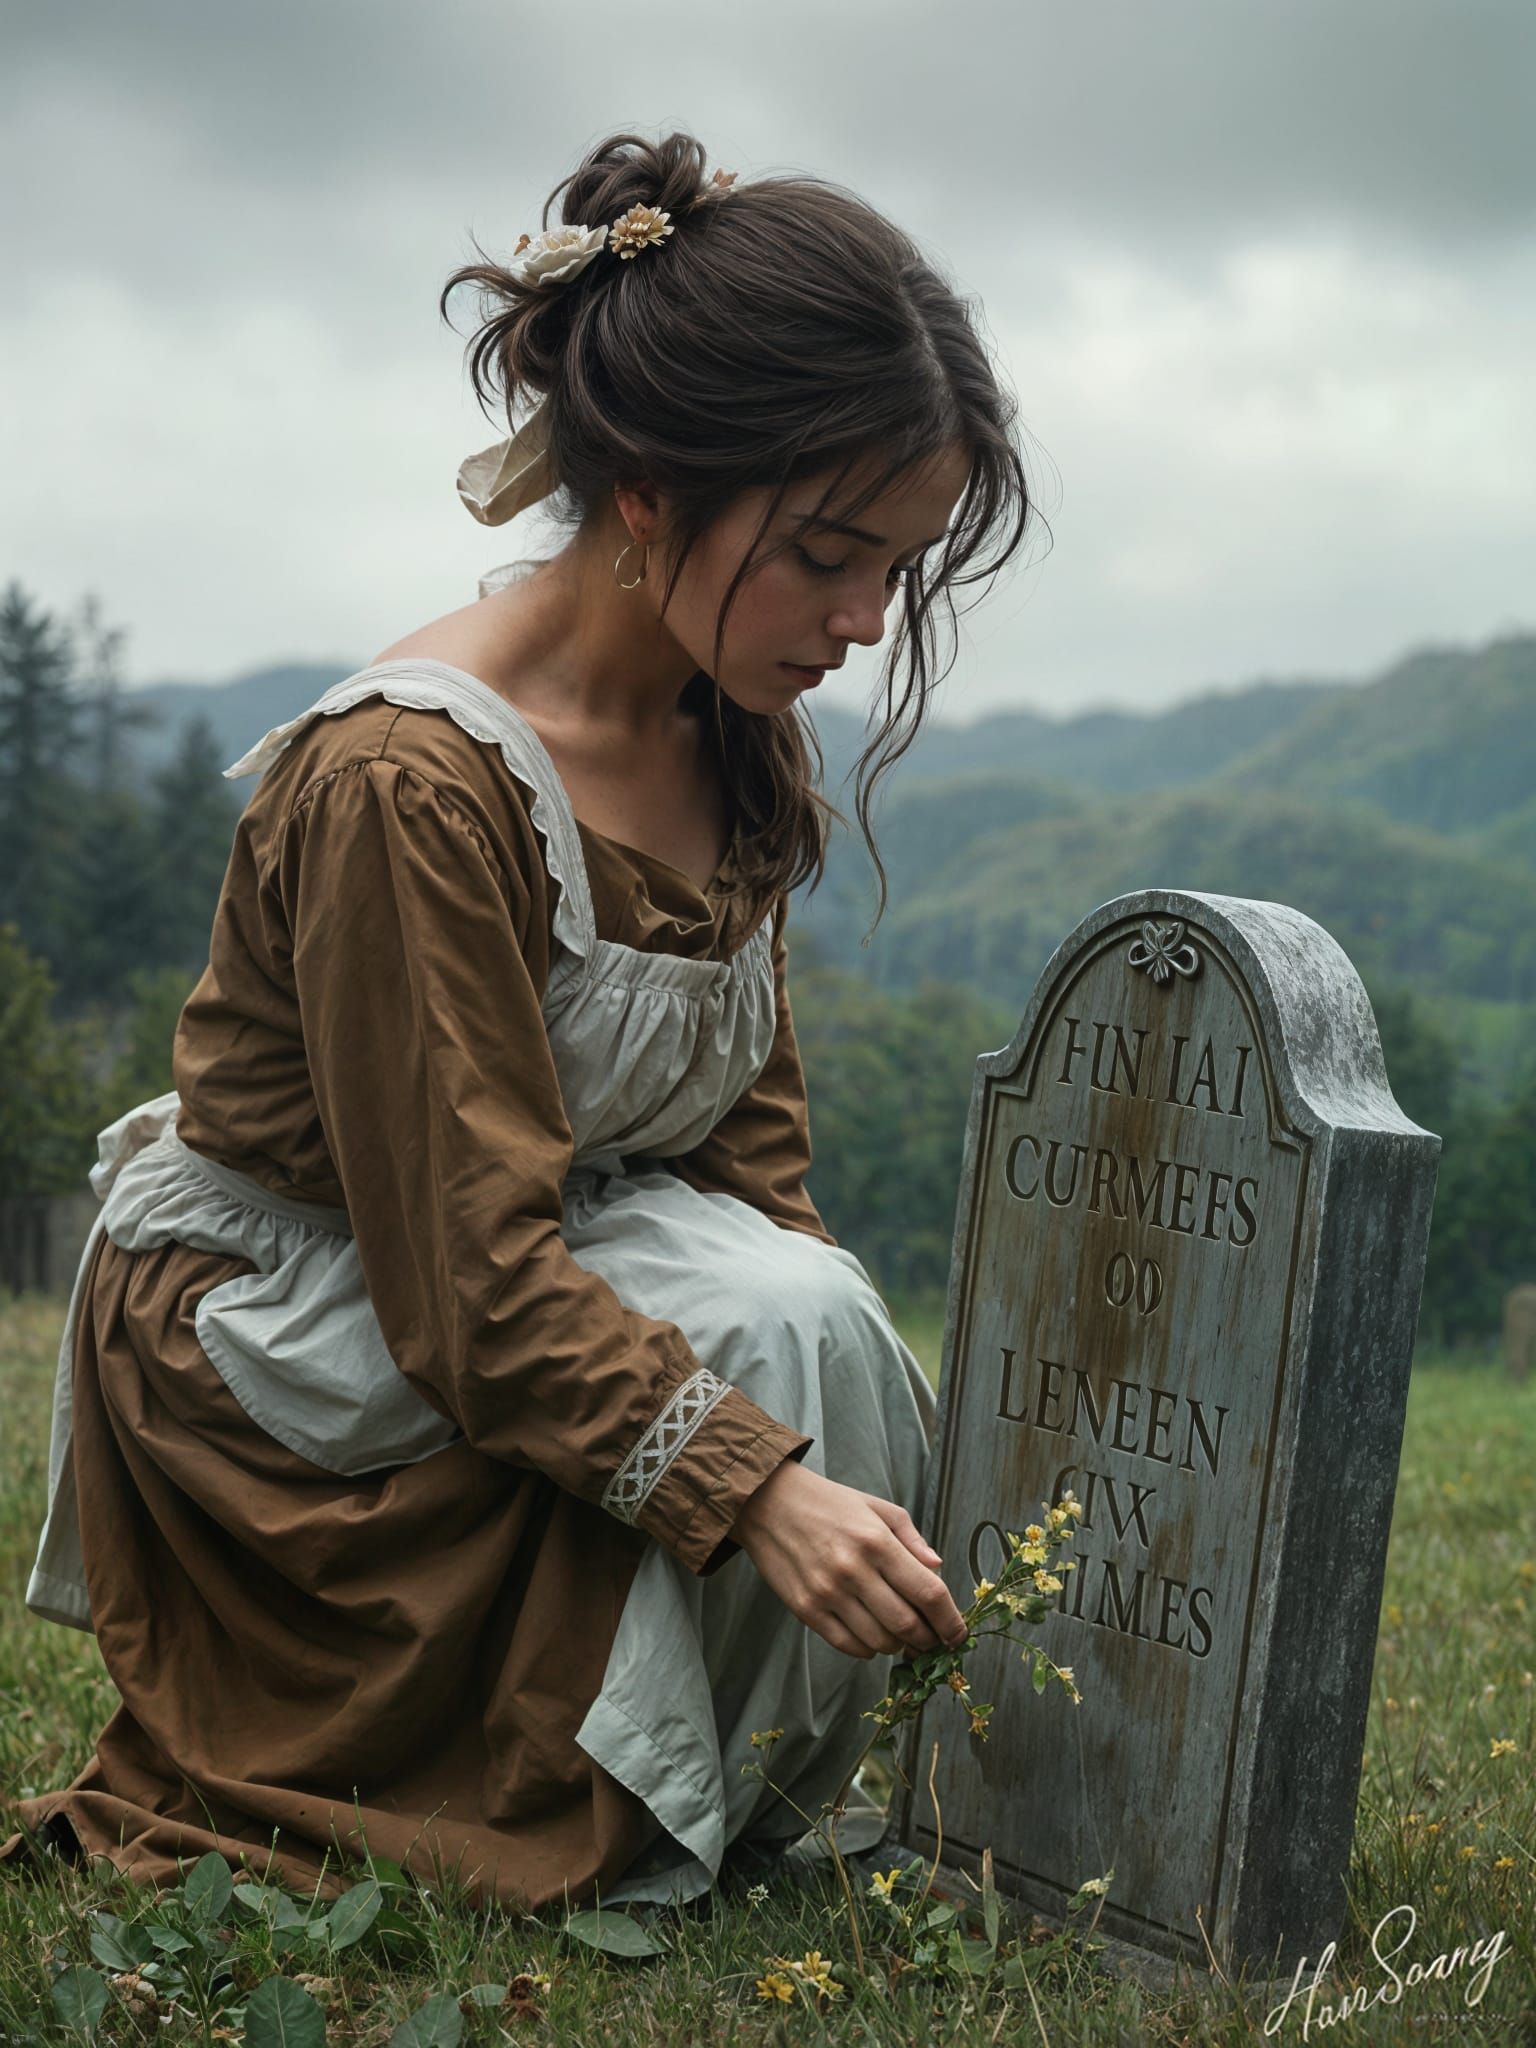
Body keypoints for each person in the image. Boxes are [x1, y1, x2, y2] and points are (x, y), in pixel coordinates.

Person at [5, 129, 1035, 1912]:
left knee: (812, 1314)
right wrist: (753, 1483)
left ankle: (707, 1796)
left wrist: (811, 1389)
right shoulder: (411, 784)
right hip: (308, 1324)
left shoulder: (732, 730)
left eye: (900, 565)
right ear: (648, 490)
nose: (866, 624)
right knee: (774, 1345)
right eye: (827, 557)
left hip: (524, 1272)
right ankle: (558, 1803)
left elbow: (747, 1159)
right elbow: (466, 1285)